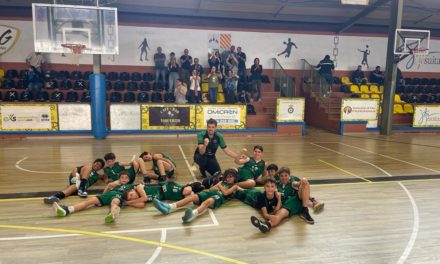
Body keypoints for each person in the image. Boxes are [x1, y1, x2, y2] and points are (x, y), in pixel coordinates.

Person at [152, 168, 240, 223]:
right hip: (211, 193)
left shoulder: (235, 186)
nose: (228, 178)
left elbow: (226, 193)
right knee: (192, 197)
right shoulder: (222, 182)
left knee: (208, 202)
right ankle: (169, 207)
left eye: (231, 177)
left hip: (219, 197)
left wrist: (220, 186)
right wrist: (218, 186)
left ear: (235, 178)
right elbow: (211, 189)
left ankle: (192, 214)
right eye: (227, 176)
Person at [53, 171, 145, 223]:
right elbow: (108, 186)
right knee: (89, 201)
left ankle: (112, 214)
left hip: (118, 196)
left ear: (129, 180)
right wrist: (104, 193)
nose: (124, 179)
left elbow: (140, 190)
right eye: (122, 178)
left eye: (126, 178)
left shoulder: (131, 186)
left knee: (115, 202)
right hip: (107, 195)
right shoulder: (115, 184)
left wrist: (142, 187)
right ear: (119, 178)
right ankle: (67, 210)